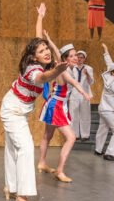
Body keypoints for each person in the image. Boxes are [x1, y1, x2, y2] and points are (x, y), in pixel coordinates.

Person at [0, 3, 68, 201]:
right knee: (27, 148)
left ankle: (10, 187)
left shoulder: (40, 58)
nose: (46, 52)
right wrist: (57, 70)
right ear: (34, 56)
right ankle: (22, 198)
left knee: (13, 149)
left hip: (18, 109)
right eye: (42, 51)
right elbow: (43, 78)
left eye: (47, 49)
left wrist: (40, 17)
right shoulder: (32, 69)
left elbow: (38, 39)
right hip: (12, 110)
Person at [37, 40, 92, 182]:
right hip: (56, 106)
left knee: (47, 136)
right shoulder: (63, 69)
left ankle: (42, 162)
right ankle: (59, 170)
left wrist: (49, 39)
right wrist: (85, 93)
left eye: (76, 56)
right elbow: (74, 82)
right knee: (71, 137)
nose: (76, 58)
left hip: (55, 104)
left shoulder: (62, 66)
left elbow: (57, 51)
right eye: (72, 56)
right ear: (65, 59)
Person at [69, 50, 94, 141]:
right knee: (73, 115)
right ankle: (75, 134)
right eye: (78, 57)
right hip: (74, 94)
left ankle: (85, 135)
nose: (79, 59)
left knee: (85, 115)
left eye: (82, 57)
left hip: (85, 94)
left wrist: (87, 74)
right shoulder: (72, 68)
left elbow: (91, 82)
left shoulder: (89, 68)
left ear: (84, 59)